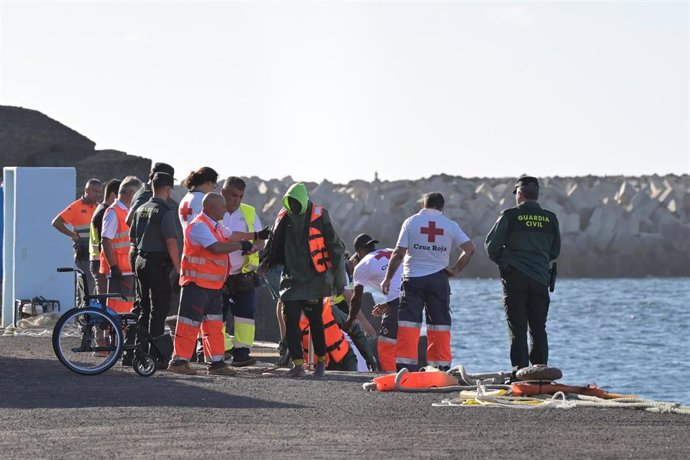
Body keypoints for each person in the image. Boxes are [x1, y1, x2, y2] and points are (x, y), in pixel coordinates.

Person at [260, 182, 347, 378]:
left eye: (296, 203)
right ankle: (298, 365)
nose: (293, 207)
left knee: (316, 321)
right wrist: (264, 263)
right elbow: (272, 243)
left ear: (304, 200)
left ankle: (321, 362)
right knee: (290, 321)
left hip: (315, 280)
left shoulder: (319, 215)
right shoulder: (284, 216)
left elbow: (336, 247)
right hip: (290, 280)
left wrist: (339, 279)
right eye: (289, 203)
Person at [382, 192, 475, 371]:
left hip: (412, 280)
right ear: (442, 207)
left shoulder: (411, 222)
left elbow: (399, 253)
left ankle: (405, 369)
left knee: (409, 325)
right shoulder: (450, 225)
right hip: (438, 279)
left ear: (423, 205)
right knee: (439, 324)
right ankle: (440, 368)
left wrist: (388, 278)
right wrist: (455, 269)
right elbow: (470, 249)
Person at [168, 193, 255, 376]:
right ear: (211, 208)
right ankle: (179, 361)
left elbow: (232, 235)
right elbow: (216, 248)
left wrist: (255, 235)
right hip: (197, 285)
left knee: (214, 326)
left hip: (213, 286)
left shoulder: (215, 226)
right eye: (222, 206)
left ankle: (217, 363)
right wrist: (241, 246)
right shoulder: (199, 226)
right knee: (188, 325)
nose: (226, 209)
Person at [485, 175, 561, 374]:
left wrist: (507, 260)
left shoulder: (510, 215)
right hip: (540, 279)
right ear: (537, 194)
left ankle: (520, 372)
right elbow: (555, 252)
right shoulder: (550, 218)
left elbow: (491, 247)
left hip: (514, 279)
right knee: (538, 327)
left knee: (517, 328)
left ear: (518, 194)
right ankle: (540, 372)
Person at [129, 172, 180, 361]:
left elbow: (133, 239)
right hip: (158, 265)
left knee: (144, 308)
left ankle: (139, 352)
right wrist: (179, 269)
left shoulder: (141, 208)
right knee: (159, 310)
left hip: (140, 261)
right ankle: (155, 356)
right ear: (167, 189)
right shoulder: (165, 211)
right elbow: (171, 242)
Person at [219, 177, 270, 367]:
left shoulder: (249, 212)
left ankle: (241, 353)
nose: (237, 200)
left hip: (242, 274)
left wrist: (253, 248)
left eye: (241, 196)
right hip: (219, 274)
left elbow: (260, 240)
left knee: (245, 316)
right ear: (223, 192)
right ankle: (217, 350)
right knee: (217, 316)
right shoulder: (215, 210)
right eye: (234, 195)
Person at [349, 233, 403, 372]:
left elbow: (356, 300)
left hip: (398, 301)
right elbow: (400, 282)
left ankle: (391, 379)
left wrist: (348, 324)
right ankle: (412, 378)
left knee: (386, 345)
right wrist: (388, 304)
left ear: (359, 252)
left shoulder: (363, 265)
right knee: (407, 343)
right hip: (417, 298)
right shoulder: (391, 251)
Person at [100, 176, 142, 314]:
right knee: (117, 307)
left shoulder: (125, 212)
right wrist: (113, 266)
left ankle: (120, 333)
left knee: (126, 306)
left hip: (126, 268)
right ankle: (114, 334)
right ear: (131, 194)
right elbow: (105, 240)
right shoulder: (114, 212)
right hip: (119, 269)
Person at [52, 179, 102, 294]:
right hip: (83, 251)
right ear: (86, 190)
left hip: (96, 252)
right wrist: (72, 235)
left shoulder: (99, 207)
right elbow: (56, 222)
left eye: (99, 192)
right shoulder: (75, 207)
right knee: (85, 285)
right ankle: (84, 310)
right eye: (95, 191)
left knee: (94, 286)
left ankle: (86, 310)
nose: (98, 194)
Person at [88, 179, 121, 294]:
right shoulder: (105, 212)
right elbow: (105, 240)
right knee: (103, 299)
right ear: (113, 195)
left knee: (100, 297)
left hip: (97, 261)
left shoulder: (101, 209)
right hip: (100, 262)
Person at [178, 167, 219, 232]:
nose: (213, 189)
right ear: (208, 182)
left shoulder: (184, 199)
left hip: (187, 241)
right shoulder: (204, 200)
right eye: (214, 185)